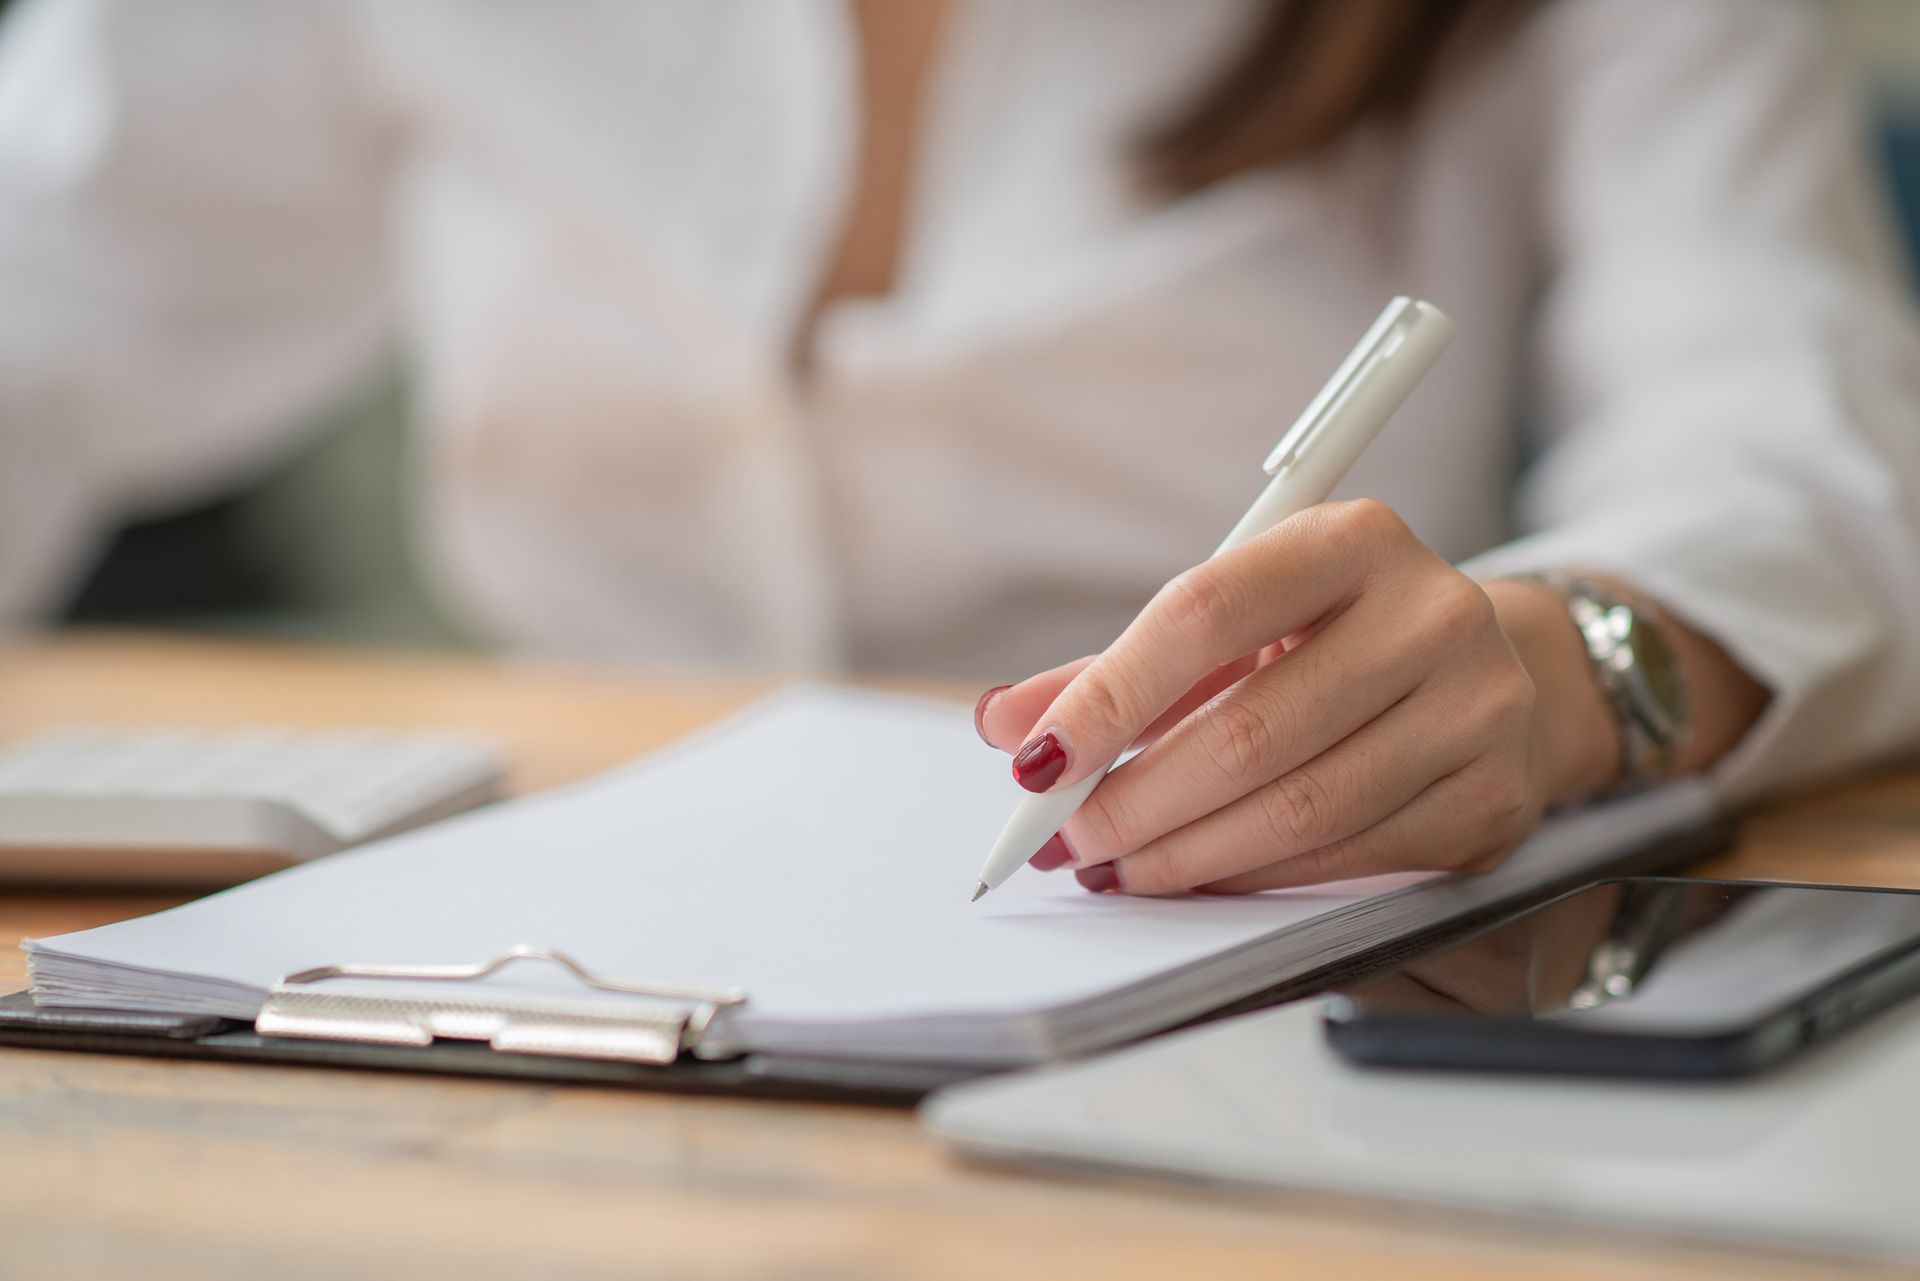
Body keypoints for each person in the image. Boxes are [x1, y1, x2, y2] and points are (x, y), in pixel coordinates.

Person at [2, 1, 1917, 896]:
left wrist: (1568, 660)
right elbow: (39, 292)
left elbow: (1804, 437)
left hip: (1255, 952)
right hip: (543, 959)